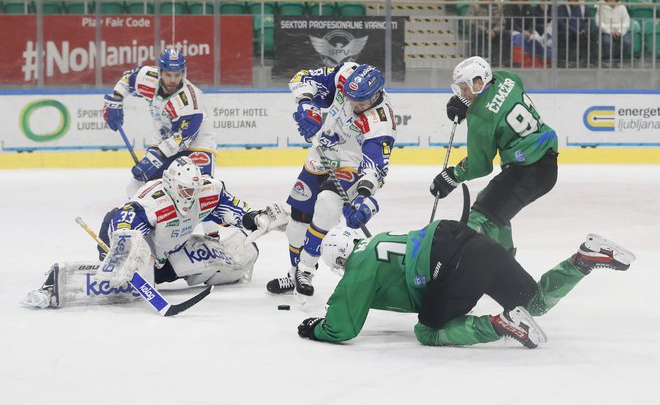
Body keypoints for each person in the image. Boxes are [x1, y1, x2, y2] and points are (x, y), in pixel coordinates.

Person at [297, 220, 635, 347]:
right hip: (473, 242)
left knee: (427, 331)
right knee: (534, 303)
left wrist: (316, 328)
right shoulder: (382, 239)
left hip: (452, 264)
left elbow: (342, 325)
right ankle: (584, 259)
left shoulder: (360, 263)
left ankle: (500, 324)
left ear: (341, 258)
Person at [24, 157, 289, 309]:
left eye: (194, 190)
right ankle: (56, 284)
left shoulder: (206, 190)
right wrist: (127, 254)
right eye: (186, 191)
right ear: (172, 186)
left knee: (229, 260)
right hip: (128, 239)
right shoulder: (153, 201)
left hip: (170, 249)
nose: (192, 196)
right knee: (127, 279)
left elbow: (233, 209)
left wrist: (254, 217)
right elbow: (123, 223)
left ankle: (158, 269)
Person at [266, 63, 397, 299]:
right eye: (351, 99)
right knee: (298, 220)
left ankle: (306, 270)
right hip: (320, 155)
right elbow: (301, 76)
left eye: (361, 103)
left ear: (376, 95)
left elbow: (376, 169)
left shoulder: (381, 122)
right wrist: (306, 103)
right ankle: (294, 272)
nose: (354, 105)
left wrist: (364, 195)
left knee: (327, 203)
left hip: (351, 165)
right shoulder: (344, 74)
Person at [430, 56, 558, 254]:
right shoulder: (507, 78)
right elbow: (508, 88)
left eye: (465, 88)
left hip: (528, 170)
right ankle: (507, 266)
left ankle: (487, 270)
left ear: (479, 82)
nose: (463, 93)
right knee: (492, 207)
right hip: (545, 161)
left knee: (481, 218)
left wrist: (453, 176)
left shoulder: (481, 117)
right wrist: (474, 100)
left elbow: (480, 165)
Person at [102, 48, 216, 190]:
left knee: (200, 188)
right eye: (168, 75)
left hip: (197, 141)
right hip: (163, 136)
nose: (173, 80)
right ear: (160, 71)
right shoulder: (148, 78)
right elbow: (127, 79)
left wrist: (157, 157)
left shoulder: (188, 101)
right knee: (137, 186)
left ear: (183, 73)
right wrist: (116, 100)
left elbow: (185, 137)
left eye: (177, 74)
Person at [467, 0, 509, 66]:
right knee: (477, 34)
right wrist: (485, 30)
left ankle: (496, 62)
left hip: (494, 30)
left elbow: (502, 21)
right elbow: (471, 20)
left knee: (507, 34)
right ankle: (479, 61)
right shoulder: (475, 5)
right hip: (480, 29)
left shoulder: (498, 6)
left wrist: (495, 31)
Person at [557, 0, 594, 67]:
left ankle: (586, 61)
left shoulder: (583, 5)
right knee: (566, 35)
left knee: (591, 35)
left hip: (581, 30)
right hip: (568, 30)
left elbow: (589, 19)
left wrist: (585, 29)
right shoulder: (562, 6)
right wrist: (575, 30)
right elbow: (562, 22)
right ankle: (565, 61)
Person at [595, 0, 632, 66]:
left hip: (620, 31)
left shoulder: (622, 7)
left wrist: (620, 32)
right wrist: (609, 31)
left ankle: (619, 60)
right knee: (606, 41)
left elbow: (626, 21)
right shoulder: (601, 6)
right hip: (606, 32)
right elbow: (598, 22)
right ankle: (607, 60)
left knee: (627, 42)